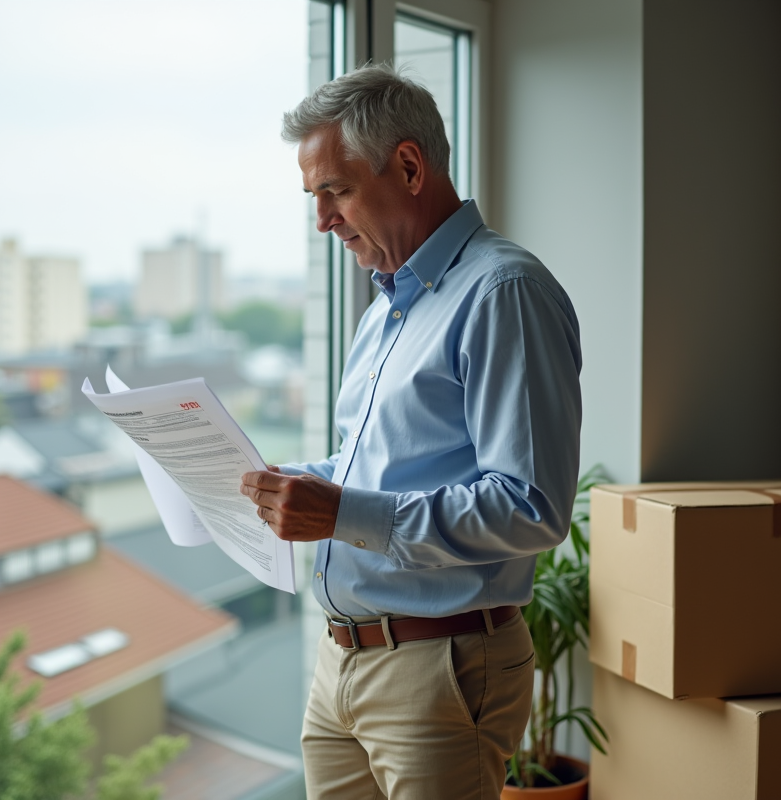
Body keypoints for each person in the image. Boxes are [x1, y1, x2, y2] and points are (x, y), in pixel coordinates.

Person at [239, 63, 583, 800]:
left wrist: (340, 513)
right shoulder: (387, 307)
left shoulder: (502, 292)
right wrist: (283, 483)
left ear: (408, 165)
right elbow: (379, 465)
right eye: (314, 198)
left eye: (335, 191)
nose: (323, 219)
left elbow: (531, 505)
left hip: (438, 668)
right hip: (342, 665)